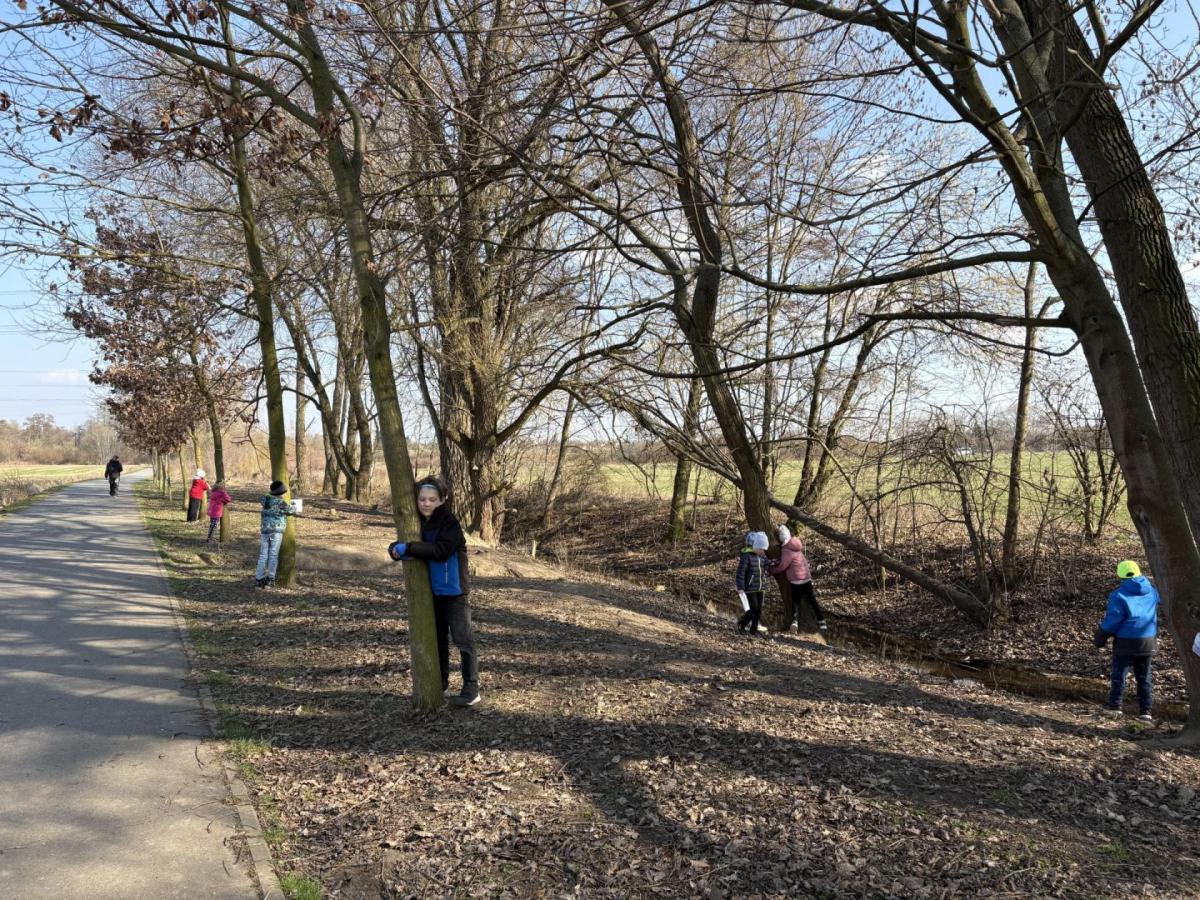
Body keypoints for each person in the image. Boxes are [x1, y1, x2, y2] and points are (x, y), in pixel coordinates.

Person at [388, 475, 480, 706]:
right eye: (422, 499)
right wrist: (395, 549)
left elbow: (440, 550)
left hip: (455, 593)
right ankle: (441, 684)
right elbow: (411, 545)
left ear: (442, 500)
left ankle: (471, 689)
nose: (426, 503)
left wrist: (408, 548)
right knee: (438, 640)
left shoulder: (449, 523)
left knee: (463, 640)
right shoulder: (418, 522)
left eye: (432, 499)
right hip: (432, 594)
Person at [1095, 559, 1160, 722]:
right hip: (1147, 640)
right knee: (1144, 676)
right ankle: (1146, 711)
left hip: (1125, 641)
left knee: (1120, 674)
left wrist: (1101, 636)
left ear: (1121, 576)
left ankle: (1115, 706)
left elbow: (1113, 620)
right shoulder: (1152, 591)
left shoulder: (1118, 595)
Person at [769, 524, 828, 633]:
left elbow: (782, 566)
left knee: (796, 601)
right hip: (806, 578)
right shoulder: (796, 546)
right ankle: (821, 621)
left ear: (781, 538)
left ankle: (795, 621)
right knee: (812, 600)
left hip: (796, 580)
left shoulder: (786, 550)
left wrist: (771, 570)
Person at [255, 480, 295, 588]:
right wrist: (293, 504)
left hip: (265, 531)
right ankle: (270, 579)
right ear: (280, 492)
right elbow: (291, 511)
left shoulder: (265, 499)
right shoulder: (280, 502)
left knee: (263, 555)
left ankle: (259, 579)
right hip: (276, 531)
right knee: (273, 555)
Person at [735, 531, 770, 635]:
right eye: (761, 549)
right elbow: (741, 572)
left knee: (759, 610)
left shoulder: (762, 556)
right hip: (750, 588)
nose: (763, 551)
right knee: (752, 609)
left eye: (763, 549)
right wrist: (740, 587)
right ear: (754, 546)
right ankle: (742, 624)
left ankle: (753, 629)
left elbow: (766, 566)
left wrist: (770, 564)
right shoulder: (746, 556)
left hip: (761, 587)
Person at [206, 481, 232, 546]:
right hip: (216, 511)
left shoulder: (213, 492)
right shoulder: (221, 493)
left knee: (212, 525)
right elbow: (228, 499)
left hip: (212, 511)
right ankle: (210, 539)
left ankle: (210, 538)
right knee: (214, 526)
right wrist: (223, 499)